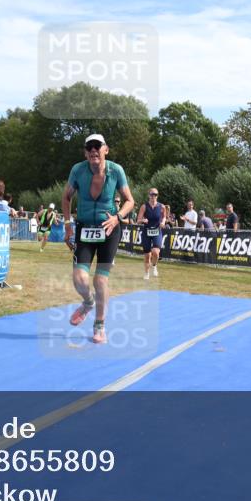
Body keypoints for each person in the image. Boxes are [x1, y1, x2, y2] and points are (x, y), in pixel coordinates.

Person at [62, 133, 135, 345]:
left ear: (106, 149)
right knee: (79, 279)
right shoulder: (78, 170)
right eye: (89, 147)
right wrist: (68, 226)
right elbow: (66, 197)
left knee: (100, 279)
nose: (93, 150)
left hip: (109, 229)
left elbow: (130, 201)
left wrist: (117, 218)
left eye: (97, 146)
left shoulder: (116, 171)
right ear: (85, 152)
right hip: (85, 228)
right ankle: (88, 303)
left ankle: (99, 325)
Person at [136, 188, 165, 279]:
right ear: (149, 195)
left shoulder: (162, 207)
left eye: (155, 195)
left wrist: (163, 222)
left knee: (156, 252)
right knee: (147, 255)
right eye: (152, 194)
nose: (153, 196)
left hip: (157, 231)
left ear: (157, 196)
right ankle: (146, 273)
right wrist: (143, 220)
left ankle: (154, 265)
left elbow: (164, 217)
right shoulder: (144, 206)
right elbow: (138, 221)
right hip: (146, 232)